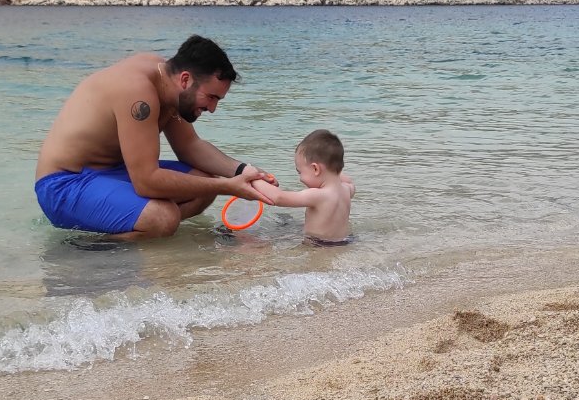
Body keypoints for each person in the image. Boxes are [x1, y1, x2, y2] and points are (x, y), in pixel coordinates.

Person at [35, 35, 273, 239]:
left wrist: (244, 171)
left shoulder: (167, 81)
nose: (212, 108)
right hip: (64, 184)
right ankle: (84, 250)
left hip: (112, 173)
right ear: (185, 80)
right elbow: (146, 181)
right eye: (211, 97)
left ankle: (141, 230)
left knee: (203, 185)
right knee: (162, 217)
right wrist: (228, 187)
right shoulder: (137, 92)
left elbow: (190, 146)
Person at [253, 128, 355, 245]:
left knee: (262, 241)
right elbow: (349, 181)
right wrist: (333, 171)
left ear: (315, 169)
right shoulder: (347, 189)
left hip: (318, 246)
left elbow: (279, 197)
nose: (300, 178)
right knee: (288, 223)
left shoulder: (318, 195)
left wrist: (255, 178)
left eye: (300, 172)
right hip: (344, 242)